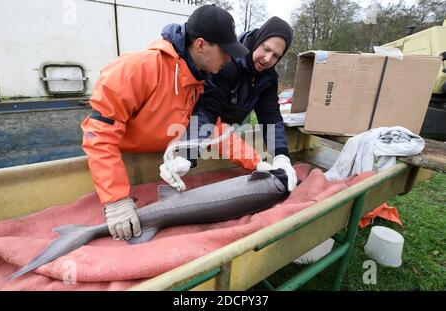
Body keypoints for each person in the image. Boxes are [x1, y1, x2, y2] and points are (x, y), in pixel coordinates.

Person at [81, 5, 249, 241]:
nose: (230, 58)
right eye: (225, 51)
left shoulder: (200, 83)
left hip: (163, 168)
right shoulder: (136, 68)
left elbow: (214, 130)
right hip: (121, 168)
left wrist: (259, 164)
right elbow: (98, 135)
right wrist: (117, 199)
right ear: (201, 45)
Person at [160, 17, 297, 192]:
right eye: (266, 49)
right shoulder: (228, 64)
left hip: (227, 133)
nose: (268, 58)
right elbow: (207, 110)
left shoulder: (268, 78)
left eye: (276, 56)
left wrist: (281, 156)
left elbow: (270, 117)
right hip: (198, 130)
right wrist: (188, 154)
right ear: (258, 40)